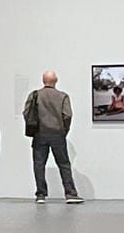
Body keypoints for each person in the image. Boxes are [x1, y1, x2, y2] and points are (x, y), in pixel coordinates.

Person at [23, 71, 81, 203]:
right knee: (64, 164)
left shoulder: (35, 95)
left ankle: (40, 195)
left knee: (39, 165)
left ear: (43, 80)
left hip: (39, 134)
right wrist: (64, 130)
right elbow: (67, 115)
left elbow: (26, 112)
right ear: (56, 81)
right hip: (57, 134)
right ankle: (70, 194)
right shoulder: (63, 96)